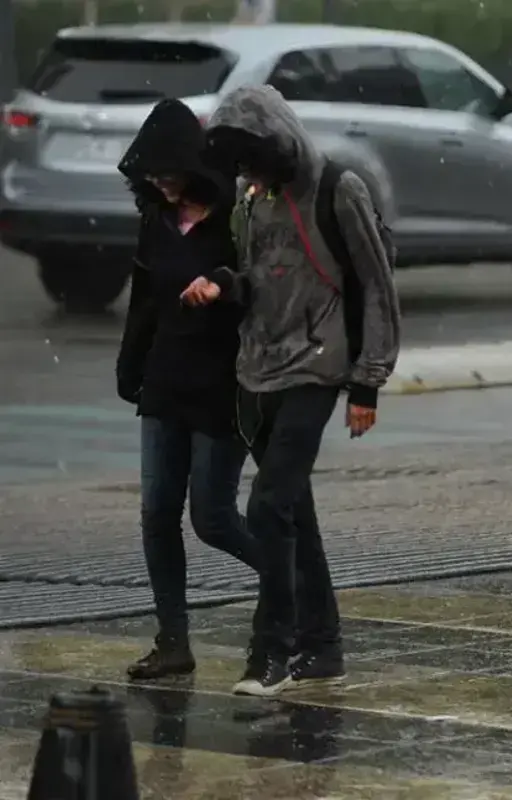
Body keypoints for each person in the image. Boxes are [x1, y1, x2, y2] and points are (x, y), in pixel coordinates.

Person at [191, 85, 402, 696]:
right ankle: (324, 646)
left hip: (319, 368)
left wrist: (368, 383)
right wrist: (224, 287)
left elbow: (376, 285)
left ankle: (271, 652)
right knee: (293, 515)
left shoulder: (339, 189)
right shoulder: (251, 196)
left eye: (254, 160)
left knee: (267, 505)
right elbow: (257, 274)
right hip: (258, 370)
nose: (249, 174)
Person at [115, 98, 262, 680]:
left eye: (170, 174)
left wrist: (222, 287)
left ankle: (292, 584)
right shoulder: (155, 220)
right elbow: (143, 301)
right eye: (152, 177)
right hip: (165, 381)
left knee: (213, 516)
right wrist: (130, 370)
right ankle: (172, 641)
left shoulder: (235, 216)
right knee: (157, 514)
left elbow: (259, 287)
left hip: (221, 384)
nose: (161, 185)